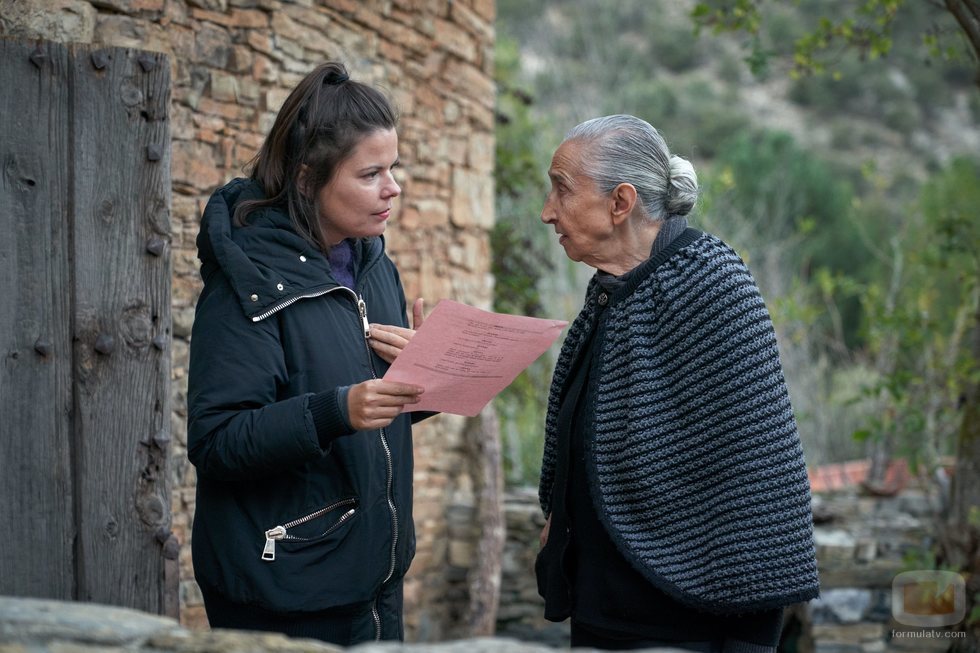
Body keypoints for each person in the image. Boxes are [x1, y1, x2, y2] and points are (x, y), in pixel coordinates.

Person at [535, 115, 820, 652]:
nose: (548, 211)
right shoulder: (613, 293)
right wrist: (563, 511)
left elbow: (758, 472)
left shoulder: (712, 284)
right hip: (605, 605)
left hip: (690, 616)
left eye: (562, 189)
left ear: (620, 203)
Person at [187, 61, 429, 645]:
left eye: (393, 168)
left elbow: (373, 408)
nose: (392, 188)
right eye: (370, 173)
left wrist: (429, 375)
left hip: (375, 582)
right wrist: (335, 411)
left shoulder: (373, 265)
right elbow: (217, 440)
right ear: (305, 179)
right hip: (288, 592)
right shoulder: (248, 284)